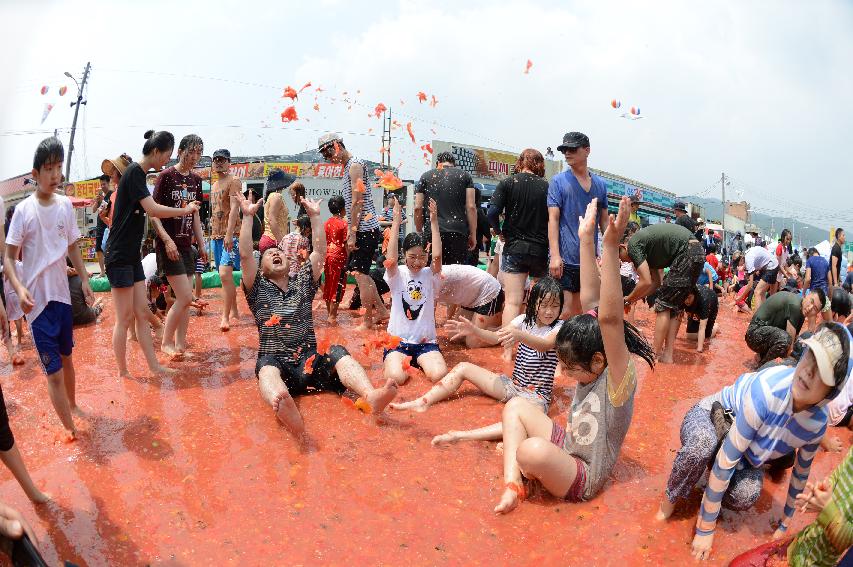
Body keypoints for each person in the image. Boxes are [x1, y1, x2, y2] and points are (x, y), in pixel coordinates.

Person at [494, 196, 655, 514]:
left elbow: (609, 317)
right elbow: (593, 299)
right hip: (567, 444)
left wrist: (610, 247)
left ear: (597, 360)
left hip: (583, 474)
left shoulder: (619, 379)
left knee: (531, 451)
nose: (564, 375)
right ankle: (513, 486)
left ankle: (530, 466)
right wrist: (586, 239)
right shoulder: (592, 348)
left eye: (569, 368)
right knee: (515, 406)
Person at [656, 323, 852, 562]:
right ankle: (670, 499)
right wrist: (705, 528)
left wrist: (785, 524)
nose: (809, 370)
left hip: (747, 450)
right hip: (712, 417)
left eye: (822, 370)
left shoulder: (816, 425)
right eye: (810, 356)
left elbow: (801, 475)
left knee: (747, 494)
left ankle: (708, 487)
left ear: (832, 392)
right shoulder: (767, 390)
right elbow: (728, 458)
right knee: (701, 444)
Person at [236, 192, 397, 444]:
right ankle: (286, 408)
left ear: (290, 264)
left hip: (310, 362)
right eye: (269, 254)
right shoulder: (257, 288)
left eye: (279, 253)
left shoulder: (302, 282)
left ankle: (370, 394)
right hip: (278, 365)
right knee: (265, 369)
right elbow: (246, 255)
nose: (276, 254)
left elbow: (319, 254)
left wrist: (314, 217)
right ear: (262, 268)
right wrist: (247, 217)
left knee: (337, 351)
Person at [394, 277, 563, 445]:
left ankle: (461, 436)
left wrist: (520, 336)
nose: (549, 311)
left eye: (555, 306)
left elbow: (545, 345)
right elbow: (495, 337)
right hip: (513, 385)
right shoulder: (523, 321)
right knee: (463, 367)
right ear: (534, 303)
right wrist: (474, 330)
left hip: (536, 397)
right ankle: (422, 402)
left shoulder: (559, 327)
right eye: (544, 305)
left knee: (525, 420)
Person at [4, 137, 93, 439]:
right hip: (37, 305)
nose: (55, 175)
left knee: (68, 358)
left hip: (63, 297)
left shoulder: (66, 205)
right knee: (52, 370)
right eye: (48, 169)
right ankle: (68, 427)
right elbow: (9, 257)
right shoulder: (23, 211)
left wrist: (85, 279)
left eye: (58, 167)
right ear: (36, 173)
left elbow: (72, 247)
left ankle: (73, 405)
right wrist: (18, 287)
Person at [105, 130, 200, 378]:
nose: (166, 161)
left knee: (140, 314)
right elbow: (153, 210)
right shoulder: (135, 172)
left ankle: (154, 366)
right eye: (167, 155)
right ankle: (123, 372)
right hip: (118, 256)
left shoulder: (141, 175)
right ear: (156, 151)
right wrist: (185, 210)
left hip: (131, 255)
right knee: (124, 318)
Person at [318, 133, 387, 330]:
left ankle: (367, 321)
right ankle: (381, 310)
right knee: (362, 274)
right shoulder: (349, 166)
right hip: (363, 227)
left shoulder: (355, 165)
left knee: (360, 275)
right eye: (325, 155)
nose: (329, 158)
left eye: (329, 152)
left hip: (364, 229)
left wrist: (353, 232)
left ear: (338, 146)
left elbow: (358, 201)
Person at [150, 134, 207, 358]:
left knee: (185, 299)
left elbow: (195, 216)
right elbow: (153, 213)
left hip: (186, 246)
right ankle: (166, 342)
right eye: (190, 151)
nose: (194, 157)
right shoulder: (165, 176)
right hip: (169, 244)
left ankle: (181, 344)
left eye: (198, 153)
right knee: (184, 297)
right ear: (179, 151)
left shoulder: (196, 180)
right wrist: (166, 239)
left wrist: (201, 244)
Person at [382, 197, 448, 385]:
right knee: (396, 378)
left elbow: (437, 256)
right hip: (398, 342)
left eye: (422, 257)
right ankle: (396, 361)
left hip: (425, 343)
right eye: (412, 257)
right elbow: (391, 259)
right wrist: (395, 223)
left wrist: (434, 222)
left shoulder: (430, 274)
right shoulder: (398, 274)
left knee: (439, 375)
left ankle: (419, 361)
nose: (417, 262)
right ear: (404, 255)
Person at [621, 222, 705, 363]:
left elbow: (645, 281)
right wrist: (633, 299)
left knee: (663, 304)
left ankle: (653, 354)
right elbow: (655, 283)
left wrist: (628, 299)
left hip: (687, 252)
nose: (623, 261)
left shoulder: (633, 245)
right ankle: (667, 355)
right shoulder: (646, 251)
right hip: (697, 252)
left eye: (620, 257)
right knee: (675, 305)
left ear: (622, 247)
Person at [547, 132, 608, 319]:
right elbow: (553, 219)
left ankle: (580, 348)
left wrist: (607, 251)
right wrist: (555, 255)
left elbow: (604, 220)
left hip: (590, 261)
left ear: (587, 151)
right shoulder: (558, 181)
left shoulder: (600, 184)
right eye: (564, 149)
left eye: (572, 149)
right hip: (566, 260)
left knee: (588, 312)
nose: (567, 153)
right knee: (564, 311)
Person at [487, 149, 549, 328]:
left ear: (520, 162)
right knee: (537, 300)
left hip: (514, 247)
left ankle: (507, 351)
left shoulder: (508, 183)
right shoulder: (547, 187)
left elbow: (492, 212)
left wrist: (498, 231)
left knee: (513, 302)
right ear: (540, 164)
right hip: (540, 250)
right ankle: (533, 344)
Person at [414, 151, 476, 266]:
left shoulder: (426, 176)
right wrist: (473, 234)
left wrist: (419, 230)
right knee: (456, 274)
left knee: (432, 272)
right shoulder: (465, 176)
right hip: (458, 232)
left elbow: (418, 207)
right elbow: (471, 207)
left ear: (438, 163)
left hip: (432, 231)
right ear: (454, 165)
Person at [209, 148, 244, 332]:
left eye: (222, 160)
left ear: (229, 162)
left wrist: (230, 234)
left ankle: (225, 317)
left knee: (224, 274)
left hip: (230, 236)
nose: (219, 163)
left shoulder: (234, 181)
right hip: (215, 235)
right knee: (226, 277)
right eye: (216, 160)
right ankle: (236, 311)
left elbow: (234, 209)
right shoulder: (214, 185)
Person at [745, 289, 824, 368]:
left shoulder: (801, 313)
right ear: (807, 295)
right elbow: (789, 344)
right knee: (786, 341)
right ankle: (762, 368)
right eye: (811, 301)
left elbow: (795, 339)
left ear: (816, 314)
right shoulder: (795, 305)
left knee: (788, 342)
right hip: (753, 334)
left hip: (763, 335)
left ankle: (761, 358)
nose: (810, 308)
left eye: (815, 309)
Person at [438, 264, 504, 348]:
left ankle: (505, 332)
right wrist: (449, 317)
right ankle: (487, 327)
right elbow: (452, 297)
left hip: (488, 292)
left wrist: (449, 317)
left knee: (472, 343)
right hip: (470, 298)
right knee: (454, 337)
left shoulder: (436, 279)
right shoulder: (429, 280)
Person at [323, 195, 348, 325]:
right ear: (343, 209)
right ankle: (332, 317)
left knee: (329, 285)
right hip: (339, 257)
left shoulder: (326, 223)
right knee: (338, 287)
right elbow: (346, 244)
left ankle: (329, 314)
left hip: (327, 256)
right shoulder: (344, 224)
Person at [735, 245, 779, 312]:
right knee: (762, 293)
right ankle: (764, 316)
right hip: (774, 264)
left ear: (741, 259)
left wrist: (740, 298)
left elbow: (750, 285)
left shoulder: (748, 260)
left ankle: (756, 320)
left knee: (757, 292)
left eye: (738, 264)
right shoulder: (747, 253)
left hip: (771, 266)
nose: (738, 266)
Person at [259, 169, 292, 253]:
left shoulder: (273, 196)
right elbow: (272, 219)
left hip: (271, 239)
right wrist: (282, 242)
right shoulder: (276, 196)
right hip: (274, 240)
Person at [683, 285, 718, 353]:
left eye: (689, 298)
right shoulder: (682, 297)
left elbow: (702, 328)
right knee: (689, 336)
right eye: (685, 298)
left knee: (707, 336)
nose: (686, 301)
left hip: (711, 301)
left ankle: (716, 326)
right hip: (696, 302)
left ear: (694, 295)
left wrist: (699, 348)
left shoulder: (704, 301)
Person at [93, 174, 111, 275]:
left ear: (109, 183)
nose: (103, 186)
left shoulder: (112, 194)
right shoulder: (99, 197)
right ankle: (102, 271)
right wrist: (97, 201)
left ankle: (109, 270)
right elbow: (94, 209)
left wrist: (103, 201)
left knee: (108, 249)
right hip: (100, 226)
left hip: (108, 225)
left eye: (104, 184)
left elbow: (110, 209)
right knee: (99, 249)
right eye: (101, 184)